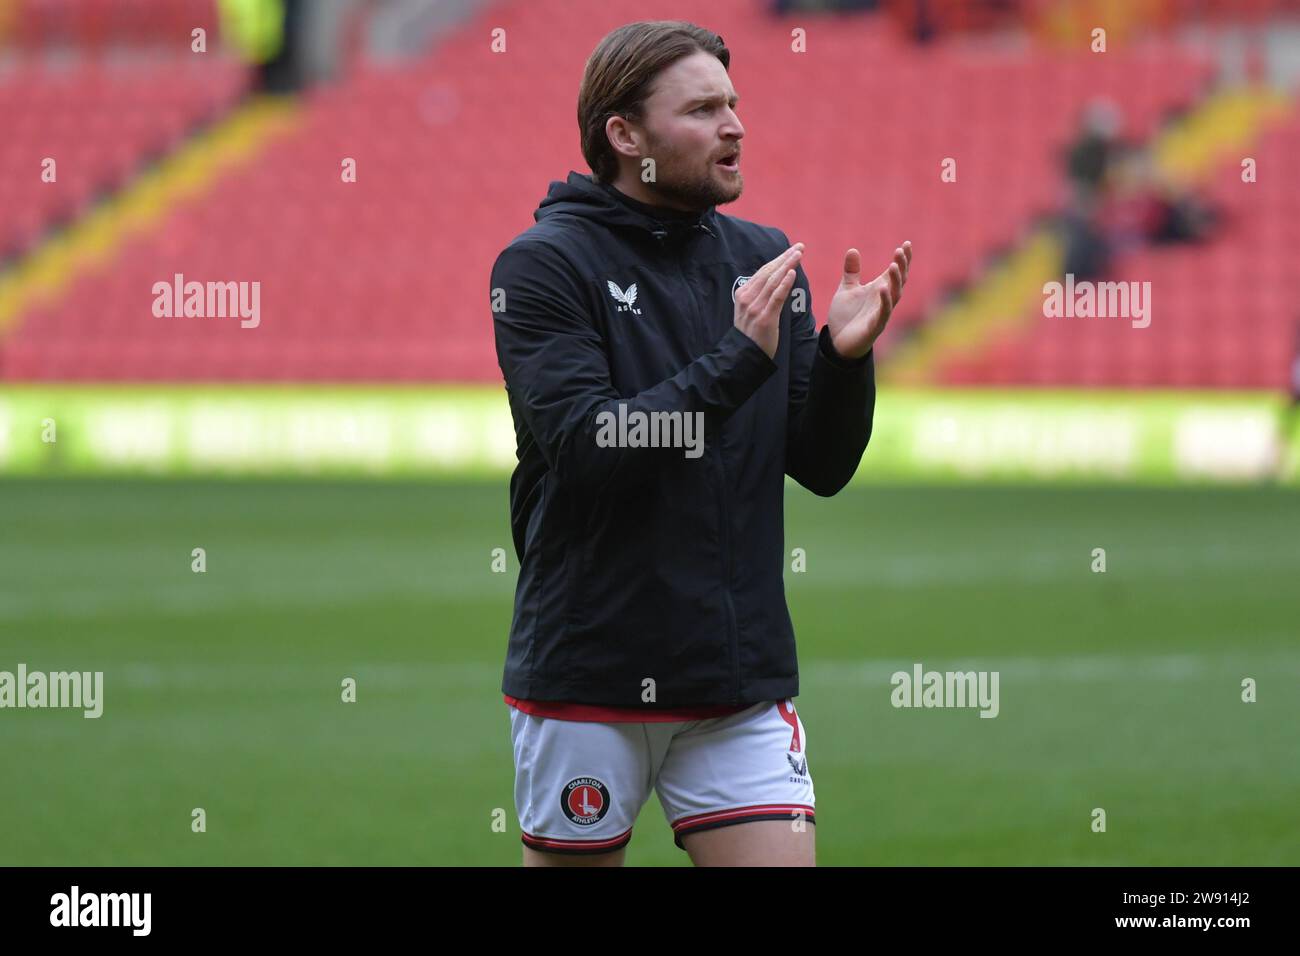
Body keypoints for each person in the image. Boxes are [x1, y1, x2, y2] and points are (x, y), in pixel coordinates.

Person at [489, 20, 912, 867]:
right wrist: (735, 360)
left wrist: (839, 360)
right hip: (591, 676)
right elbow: (590, 449)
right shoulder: (542, 268)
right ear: (625, 135)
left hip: (736, 682)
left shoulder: (762, 259)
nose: (735, 125)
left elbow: (820, 468)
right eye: (703, 109)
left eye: (734, 103)